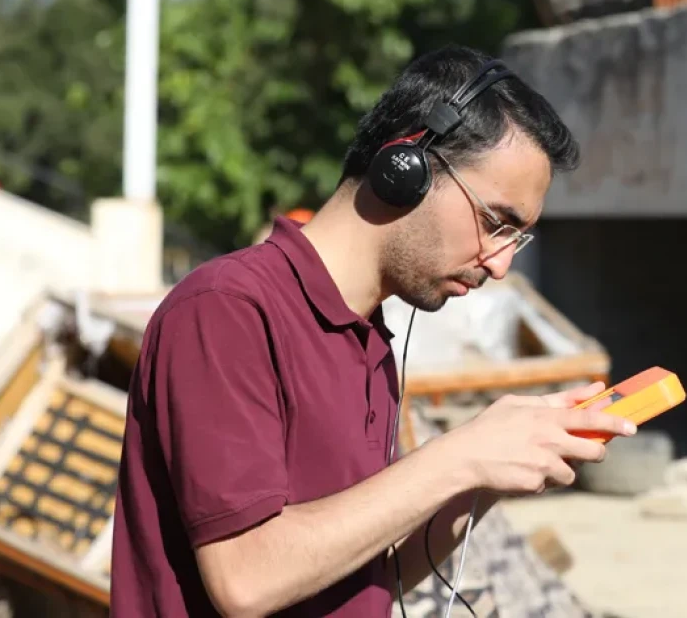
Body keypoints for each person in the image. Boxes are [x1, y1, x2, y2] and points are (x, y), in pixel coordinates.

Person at [110, 45, 635, 617]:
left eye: (518, 237)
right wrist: (462, 455)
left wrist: (489, 477)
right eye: (495, 222)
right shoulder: (228, 309)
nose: (500, 262)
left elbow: (370, 575)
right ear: (404, 167)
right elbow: (247, 579)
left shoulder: (372, 340)